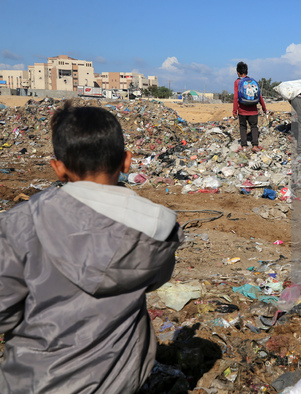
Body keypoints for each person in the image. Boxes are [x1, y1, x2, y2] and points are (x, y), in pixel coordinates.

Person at [0, 101, 183, 393]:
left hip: (33, 382)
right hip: (119, 383)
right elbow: (155, 279)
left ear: (58, 168)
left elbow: (4, 310)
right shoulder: (157, 228)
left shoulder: (19, 224)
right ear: (127, 162)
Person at [233, 61, 267, 153]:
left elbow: (236, 97)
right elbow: (259, 96)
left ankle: (244, 145)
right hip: (253, 110)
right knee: (254, 127)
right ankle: (255, 145)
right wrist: (264, 108)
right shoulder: (252, 82)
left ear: (238, 72)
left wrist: (234, 111)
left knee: (243, 127)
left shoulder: (237, 82)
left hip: (242, 110)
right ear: (246, 72)